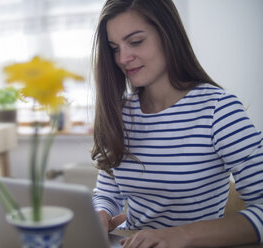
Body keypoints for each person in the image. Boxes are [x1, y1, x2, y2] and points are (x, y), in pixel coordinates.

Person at [91, 0, 263, 247]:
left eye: (136, 41)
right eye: (114, 47)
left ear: (168, 34)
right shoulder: (119, 112)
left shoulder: (218, 109)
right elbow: (107, 194)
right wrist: (101, 215)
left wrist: (181, 235)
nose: (123, 58)